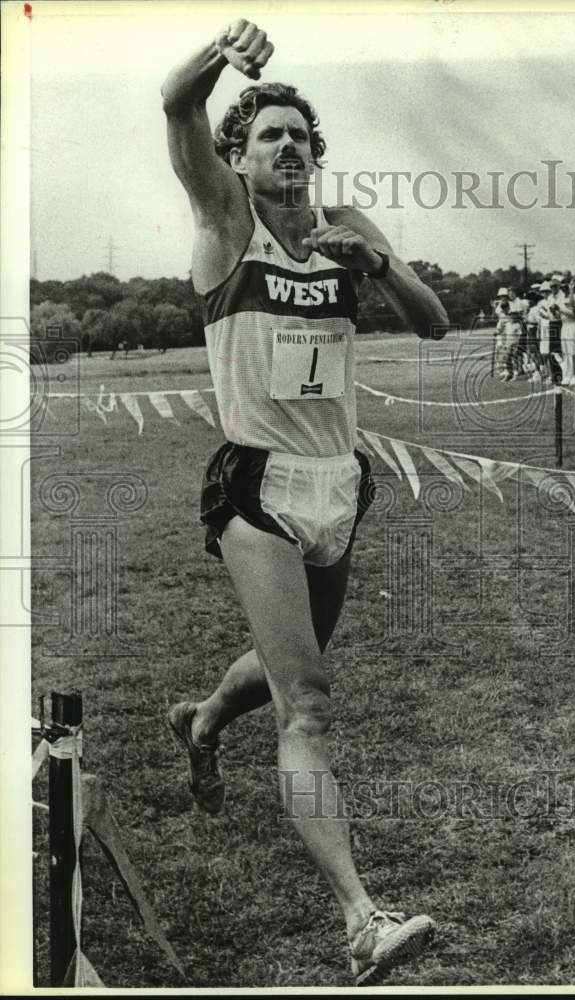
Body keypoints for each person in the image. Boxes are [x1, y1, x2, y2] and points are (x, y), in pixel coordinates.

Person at [161, 18, 448, 986]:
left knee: (297, 662)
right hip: (260, 485)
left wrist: (376, 265)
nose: (287, 146)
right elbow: (175, 102)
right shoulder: (224, 222)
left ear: (315, 154)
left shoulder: (348, 227)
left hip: (340, 481)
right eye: (267, 136)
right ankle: (363, 921)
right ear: (237, 160)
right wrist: (219, 54)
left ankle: (204, 718)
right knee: (308, 705)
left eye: (299, 135)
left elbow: (433, 323)